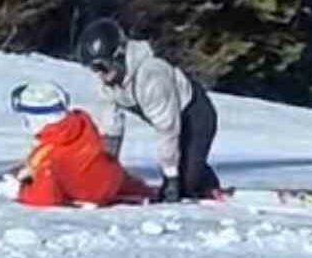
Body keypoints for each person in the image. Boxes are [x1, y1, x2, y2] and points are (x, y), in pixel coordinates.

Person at [75, 18, 221, 203]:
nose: (98, 75)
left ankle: (208, 185)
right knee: (181, 165)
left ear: (119, 56)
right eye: (92, 68)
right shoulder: (108, 83)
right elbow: (111, 126)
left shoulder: (151, 76)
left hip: (194, 113)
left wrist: (171, 178)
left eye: (101, 66)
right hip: (167, 119)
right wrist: (105, 169)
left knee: (186, 184)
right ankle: (193, 170)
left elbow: (167, 130)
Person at [8, 81, 154, 207]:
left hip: (93, 192)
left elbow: (45, 199)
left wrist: (20, 191)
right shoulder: (82, 124)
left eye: (26, 118)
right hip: (112, 175)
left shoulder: (50, 157)